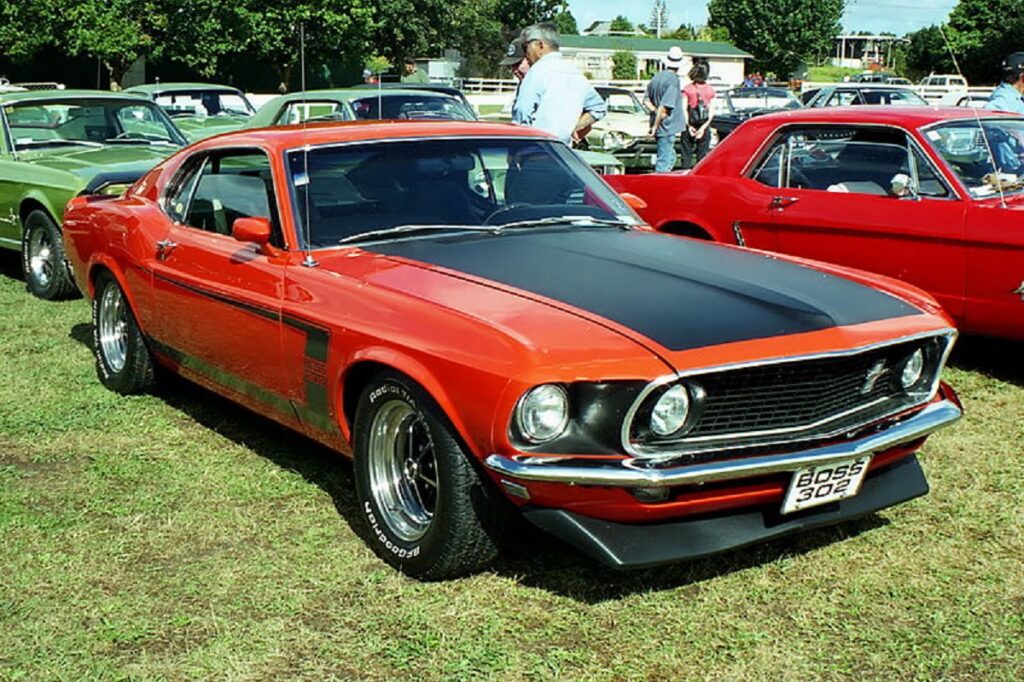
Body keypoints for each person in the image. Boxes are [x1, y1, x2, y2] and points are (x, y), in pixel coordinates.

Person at [511, 24, 607, 145]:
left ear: (540, 45)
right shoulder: (575, 73)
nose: (525, 54)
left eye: (526, 47)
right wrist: (575, 127)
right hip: (562, 152)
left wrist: (518, 147)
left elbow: (522, 111)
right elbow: (598, 108)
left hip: (535, 150)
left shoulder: (536, 72)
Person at [644, 46, 685, 172]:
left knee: (670, 157)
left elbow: (646, 100)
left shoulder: (656, 78)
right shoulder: (673, 80)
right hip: (666, 126)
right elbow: (665, 107)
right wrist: (655, 126)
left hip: (659, 124)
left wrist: (655, 113)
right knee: (663, 163)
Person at [680, 63, 716, 168]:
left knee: (686, 155)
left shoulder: (687, 89)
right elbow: (712, 111)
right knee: (702, 157)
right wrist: (704, 127)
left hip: (690, 124)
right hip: (704, 125)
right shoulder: (710, 90)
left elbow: (683, 109)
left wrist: (689, 126)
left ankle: (685, 177)